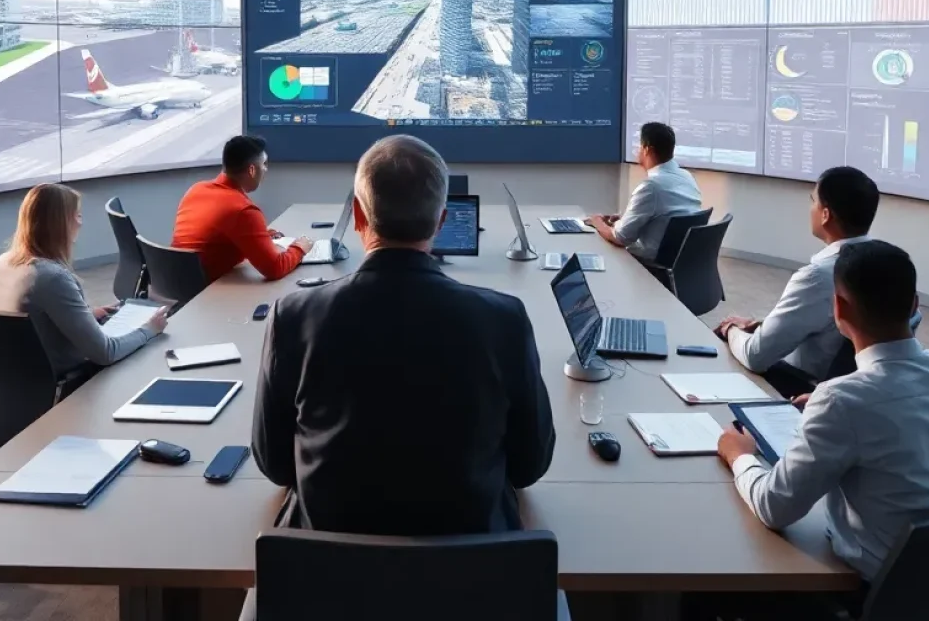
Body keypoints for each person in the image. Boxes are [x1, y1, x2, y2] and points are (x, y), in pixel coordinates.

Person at [252, 134, 555, 535]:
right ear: (443, 220)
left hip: (326, 580)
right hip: (474, 581)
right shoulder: (504, 319)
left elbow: (275, 465)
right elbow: (529, 466)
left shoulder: (294, 316)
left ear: (358, 216)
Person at [718, 240, 929, 583]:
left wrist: (739, 455)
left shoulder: (842, 400)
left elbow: (774, 508)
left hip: (877, 591)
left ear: (838, 310)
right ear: (914, 305)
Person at [716, 165, 879, 397]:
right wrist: (761, 324)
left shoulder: (818, 277)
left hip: (803, 388)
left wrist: (730, 328)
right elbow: (827, 322)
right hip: (856, 390)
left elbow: (756, 356)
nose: (810, 208)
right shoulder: (887, 264)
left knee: (727, 353)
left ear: (825, 215)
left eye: (813, 200)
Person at [0, 184, 168, 381]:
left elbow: (34, 320)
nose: (81, 223)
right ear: (60, 224)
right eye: (78, 215)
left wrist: (85, 316)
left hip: (20, 378)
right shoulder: (52, 278)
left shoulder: (2, 262)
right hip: (64, 384)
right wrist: (149, 330)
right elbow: (105, 353)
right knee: (151, 354)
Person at [172, 135, 312, 283]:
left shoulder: (196, 189)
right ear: (252, 170)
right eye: (264, 164)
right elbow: (275, 268)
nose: (266, 169)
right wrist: (300, 248)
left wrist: (259, 236)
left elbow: (216, 237)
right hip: (204, 293)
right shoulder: (243, 210)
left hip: (176, 282)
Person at [586, 121, 701, 260]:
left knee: (601, 244)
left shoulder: (651, 187)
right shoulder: (687, 176)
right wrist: (625, 220)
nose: (637, 150)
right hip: (678, 258)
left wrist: (597, 221)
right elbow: (666, 216)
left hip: (649, 261)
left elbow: (620, 238)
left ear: (647, 150)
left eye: (638, 145)